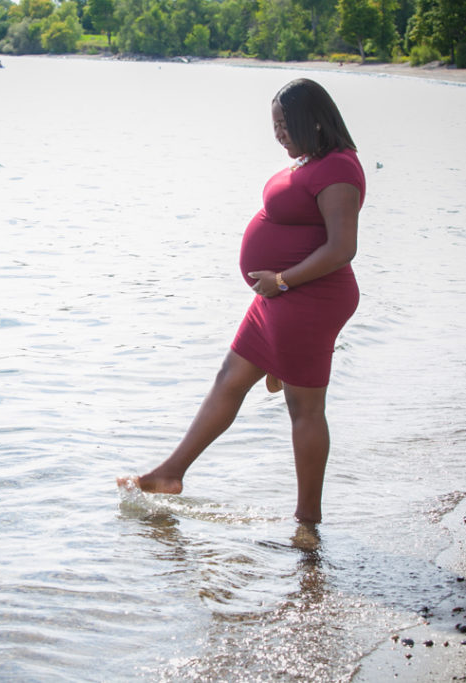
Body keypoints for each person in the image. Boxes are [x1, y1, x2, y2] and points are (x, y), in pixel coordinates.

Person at [118, 78, 364, 525]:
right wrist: (278, 285)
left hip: (306, 299)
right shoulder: (315, 162)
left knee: (304, 408)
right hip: (279, 299)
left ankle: (308, 520)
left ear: (313, 119)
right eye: (274, 125)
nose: (278, 134)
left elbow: (342, 248)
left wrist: (284, 280)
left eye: (285, 124)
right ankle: (170, 474)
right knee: (230, 376)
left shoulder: (340, 170)